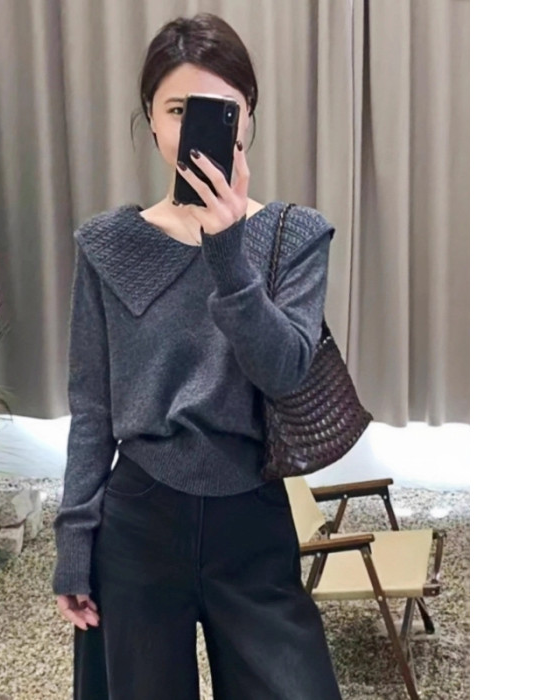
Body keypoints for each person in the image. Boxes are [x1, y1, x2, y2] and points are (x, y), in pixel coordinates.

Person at [52, 12, 342, 700]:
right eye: (178, 109)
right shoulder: (108, 244)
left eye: (219, 109)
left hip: (252, 514)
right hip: (139, 518)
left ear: (247, 118)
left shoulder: (294, 236)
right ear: (151, 119)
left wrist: (227, 250)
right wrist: (75, 543)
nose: (194, 128)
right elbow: (92, 407)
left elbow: (285, 372)